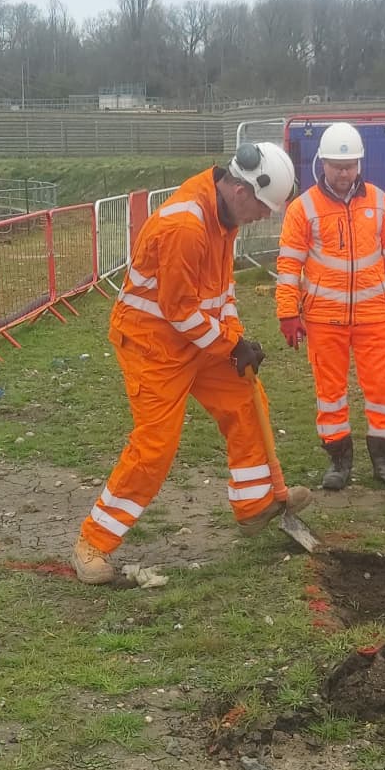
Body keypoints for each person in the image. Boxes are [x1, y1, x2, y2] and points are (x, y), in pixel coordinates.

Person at [73, 141, 309, 584]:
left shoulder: (222, 214)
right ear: (241, 190)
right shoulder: (185, 225)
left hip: (195, 338)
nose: (265, 217)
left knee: (244, 396)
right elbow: (179, 310)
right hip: (152, 346)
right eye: (264, 208)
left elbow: (219, 294)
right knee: (154, 447)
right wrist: (228, 345)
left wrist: (238, 340)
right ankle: (93, 543)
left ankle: (255, 501)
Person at [274, 122, 385, 493]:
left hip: (374, 315)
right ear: (322, 163)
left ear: (360, 163)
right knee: (331, 392)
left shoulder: (379, 202)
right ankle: (338, 460)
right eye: (337, 165)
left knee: (383, 391)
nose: (344, 172)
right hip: (325, 319)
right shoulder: (302, 208)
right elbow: (289, 265)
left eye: (351, 164)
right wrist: (287, 312)